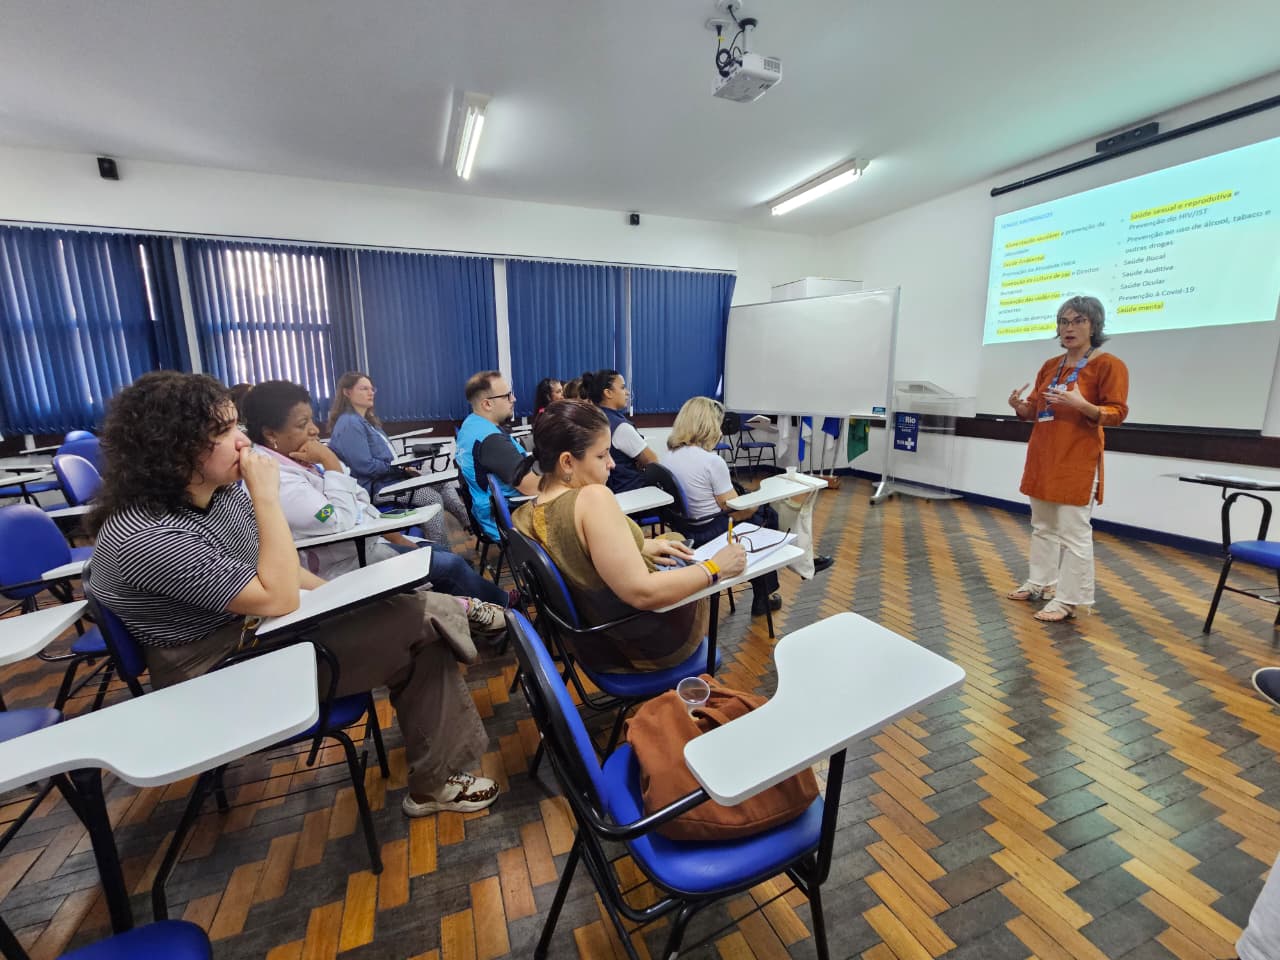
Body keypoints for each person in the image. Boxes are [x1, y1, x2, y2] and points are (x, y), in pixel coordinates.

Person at [86, 372, 499, 816]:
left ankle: (436, 776)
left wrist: (365, 601)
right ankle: (467, 619)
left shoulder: (218, 496)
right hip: (211, 675)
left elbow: (275, 572)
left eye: (235, 426)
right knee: (421, 621)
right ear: (173, 448)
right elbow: (277, 595)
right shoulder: (144, 535)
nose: (243, 442)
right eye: (222, 432)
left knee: (412, 621)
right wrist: (265, 497)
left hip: (256, 631)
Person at [511, 400, 747, 674]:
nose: (611, 464)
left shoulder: (528, 512)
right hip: (641, 643)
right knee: (692, 553)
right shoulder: (592, 499)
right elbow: (643, 593)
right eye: (602, 456)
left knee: (673, 541)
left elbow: (576, 547)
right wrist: (716, 567)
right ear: (566, 461)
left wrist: (641, 545)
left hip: (590, 639)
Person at [240, 379, 511, 616]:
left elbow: (355, 493)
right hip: (346, 557)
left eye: (311, 419)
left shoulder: (315, 450)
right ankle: (503, 609)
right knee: (444, 545)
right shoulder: (280, 477)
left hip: (368, 535)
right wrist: (330, 462)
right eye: (303, 424)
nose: (314, 430)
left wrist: (392, 530)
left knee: (441, 534)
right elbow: (341, 514)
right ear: (270, 433)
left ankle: (474, 607)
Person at [1006, 295, 1129, 622]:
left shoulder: (1108, 364)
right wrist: (1021, 407)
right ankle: (1040, 583)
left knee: (1074, 533)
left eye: (1078, 321)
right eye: (1063, 321)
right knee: (1042, 526)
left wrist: (1083, 406)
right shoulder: (1050, 365)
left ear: (1094, 325)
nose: (1069, 328)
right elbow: (1036, 409)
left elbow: (1117, 413)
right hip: (1044, 456)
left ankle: (1069, 600)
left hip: (1078, 459)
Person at [662, 396, 784, 617]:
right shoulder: (712, 462)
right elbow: (738, 511)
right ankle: (763, 597)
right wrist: (756, 502)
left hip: (686, 529)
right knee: (768, 516)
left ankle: (764, 593)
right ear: (709, 425)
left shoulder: (669, 455)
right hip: (712, 530)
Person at [326, 372, 469, 541]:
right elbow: (365, 467)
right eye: (364, 389)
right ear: (347, 392)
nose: (370, 393)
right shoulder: (349, 423)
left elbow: (386, 458)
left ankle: (471, 525)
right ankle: (440, 554)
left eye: (372, 389)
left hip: (390, 481)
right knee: (432, 499)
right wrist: (397, 468)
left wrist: (403, 469)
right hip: (377, 489)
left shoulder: (367, 421)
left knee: (443, 484)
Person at [457, 370, 541, 542]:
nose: (514, 399)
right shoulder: (491, 440)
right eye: (507, 396)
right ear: (487, 404)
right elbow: (531, 487)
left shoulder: (471, 424)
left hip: (497, 512)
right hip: (509, 517)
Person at [581, 369, 658, 494]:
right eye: (622, 388)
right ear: (608, 393)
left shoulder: (594, 417)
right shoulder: (620, 427)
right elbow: (652, 462)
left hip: (609, 491)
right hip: (632, 493)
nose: (627, 393)